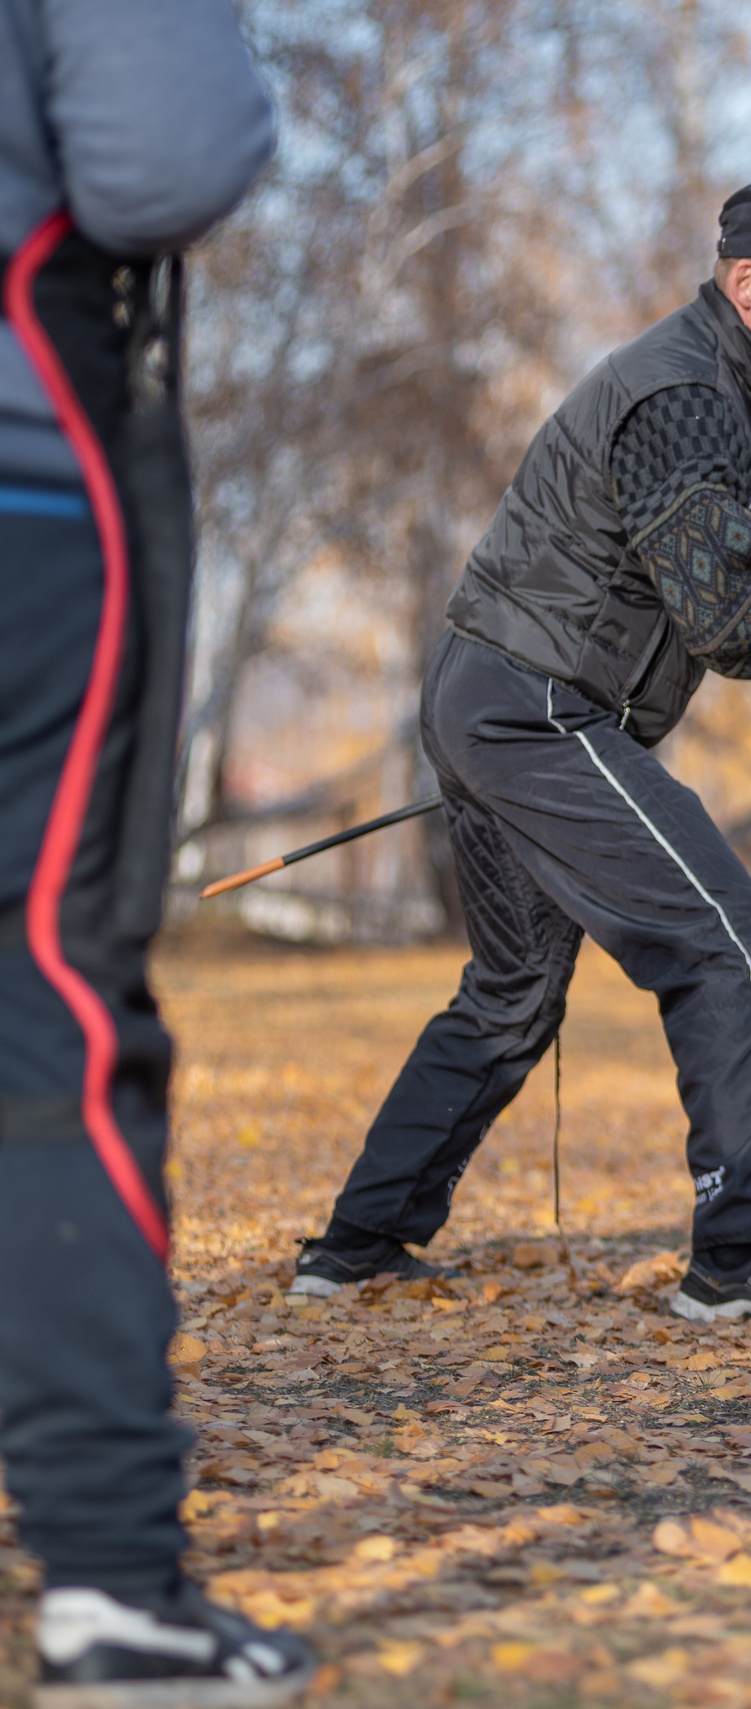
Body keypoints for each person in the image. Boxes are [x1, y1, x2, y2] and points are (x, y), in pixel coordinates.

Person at [287, 181, 751, 1325]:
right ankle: (743, 1254)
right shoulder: (685, 395)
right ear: (747, 285)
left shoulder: (702, 384)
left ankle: (355, 1246)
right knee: (728, 939)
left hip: (493, 693)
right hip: (534, 705)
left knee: (510, 992)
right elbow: (732, 625)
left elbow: (703, 592)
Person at [0, 3, 322, 1704]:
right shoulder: (668, 400)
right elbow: (168, 152)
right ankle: (118, 1595)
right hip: (27, 495)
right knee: (49, 1014)